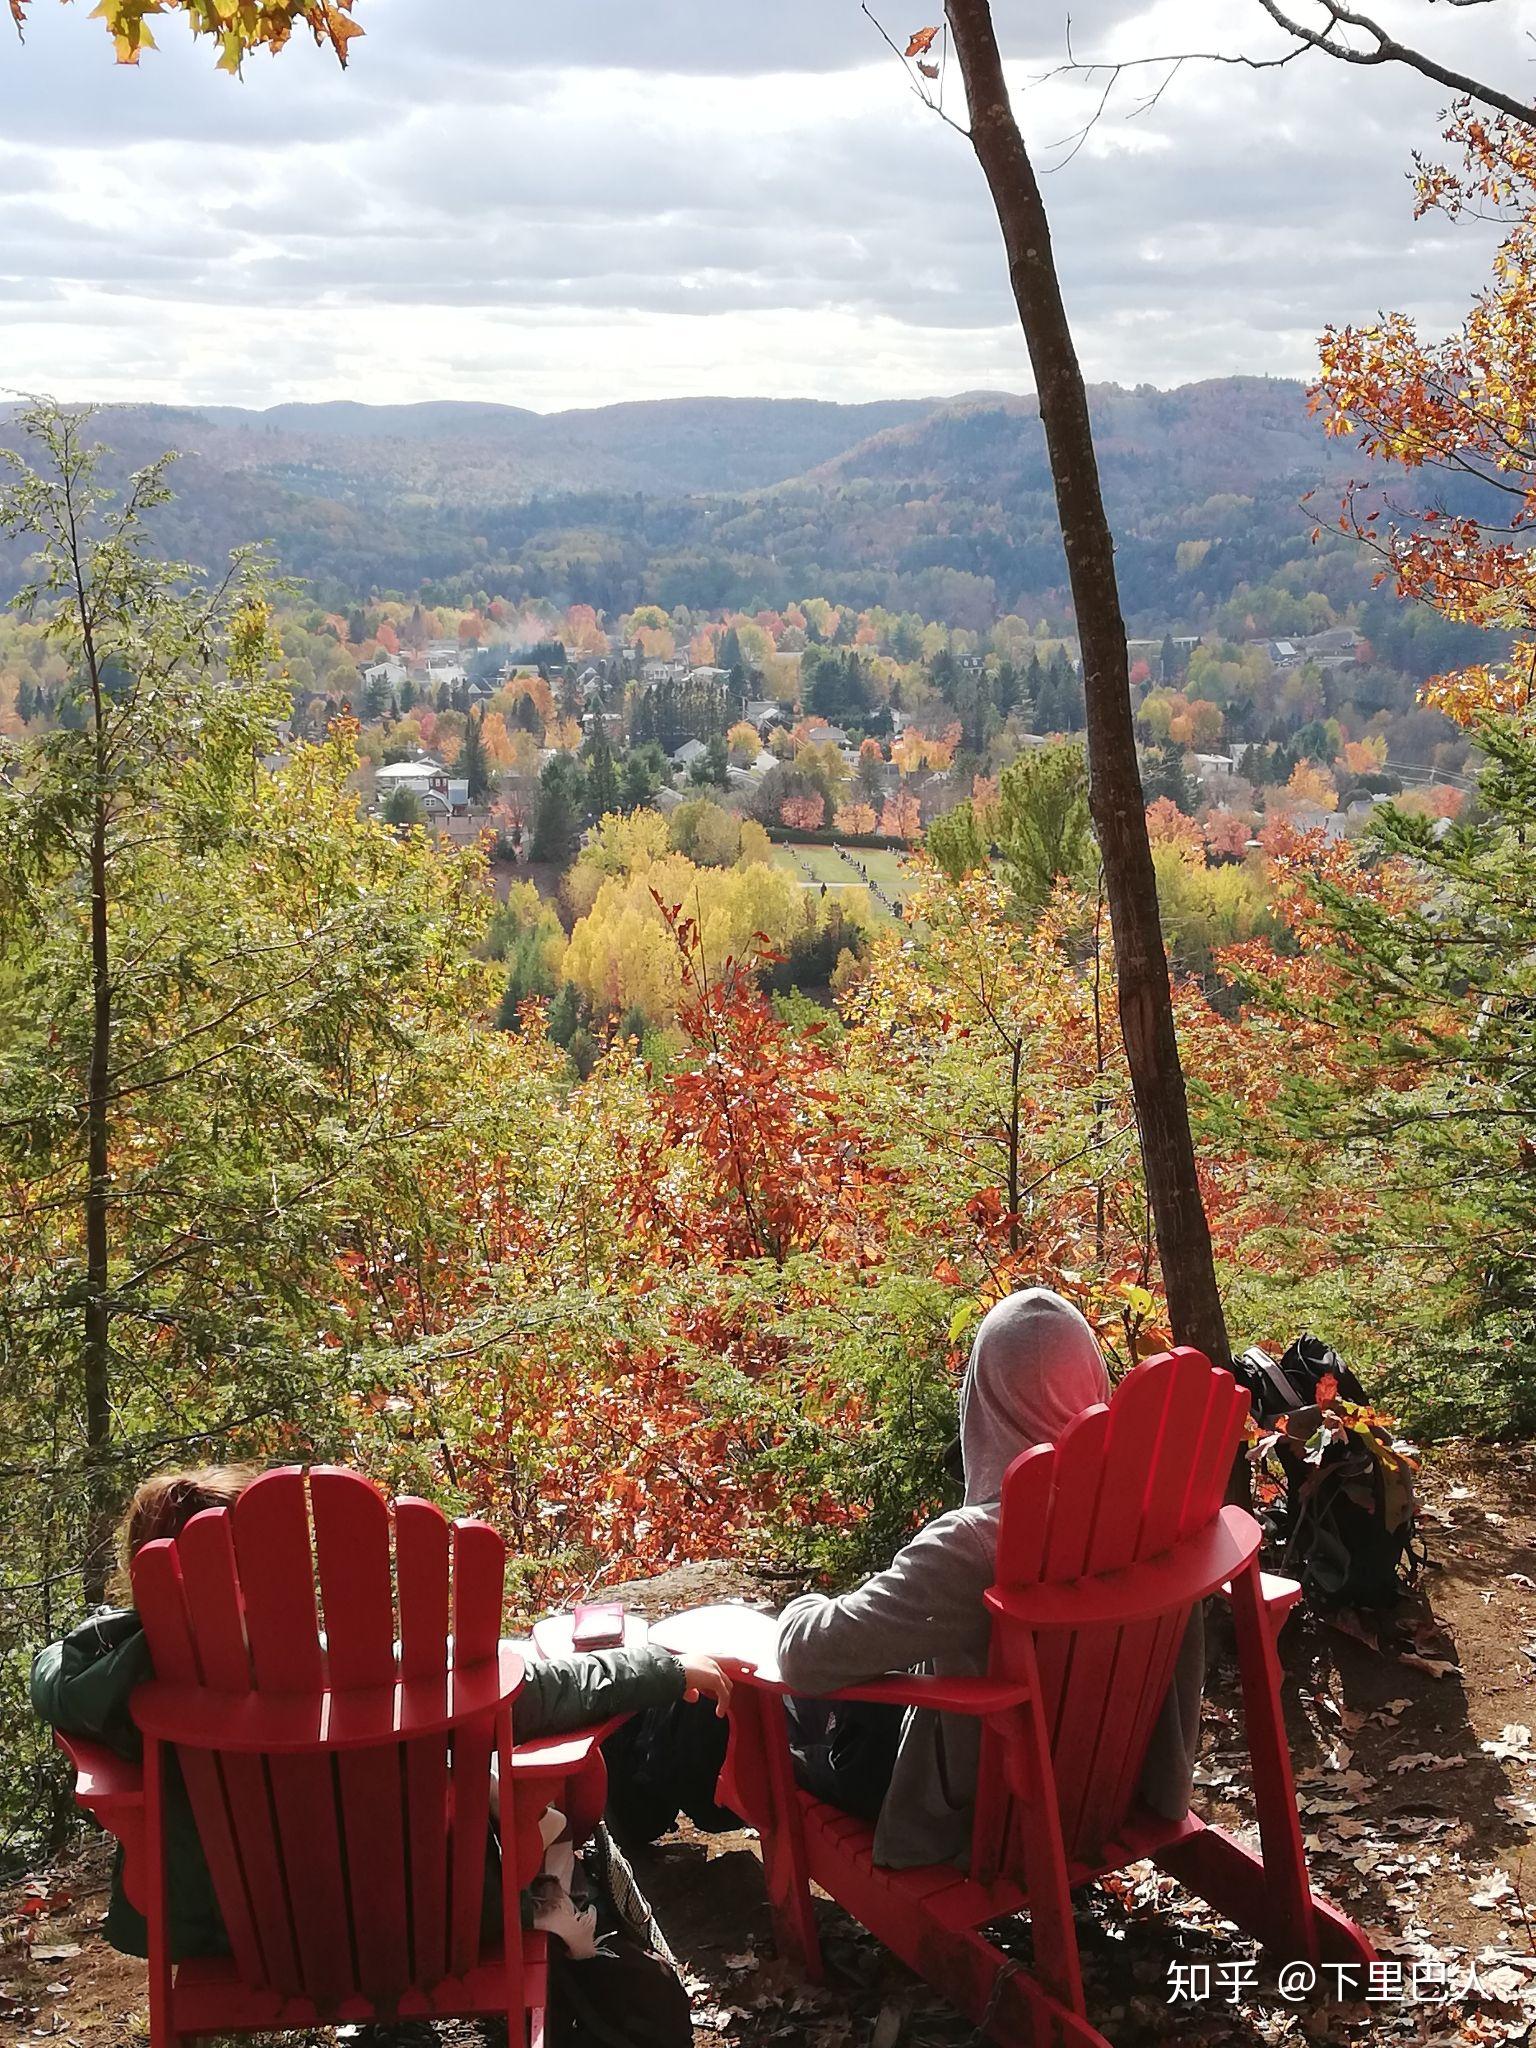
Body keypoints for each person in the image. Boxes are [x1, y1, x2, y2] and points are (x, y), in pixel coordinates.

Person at [31, 1465, 731, 1963]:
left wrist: (135, 1646)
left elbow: (51, 1677)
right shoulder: (348, 1672)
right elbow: (528, 1695)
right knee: (549, 1817)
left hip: (213, 1929)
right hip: (416, 1922)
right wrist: (662, 1666)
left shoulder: (116, 1691)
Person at [776, 1287, 1204, 1870]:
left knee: (774, 1714)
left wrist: (801, 1607)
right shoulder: (1154, 1515)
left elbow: (807, 1656)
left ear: (983, 1401)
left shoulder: (976, 1545)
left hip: (979, 1820)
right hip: (1115, 1791)